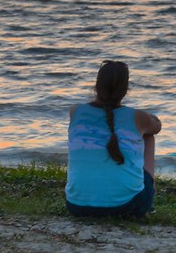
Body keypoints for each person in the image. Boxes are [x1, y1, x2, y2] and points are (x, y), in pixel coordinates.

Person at [65, 60, 161, 218]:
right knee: (148, 136)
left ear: (96, 86)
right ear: (125, 90)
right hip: (127, 206)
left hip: (77, 206)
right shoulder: (138, 116)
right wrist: (148, 118)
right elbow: (157, 127)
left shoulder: (76, 111)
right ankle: (147, 202)